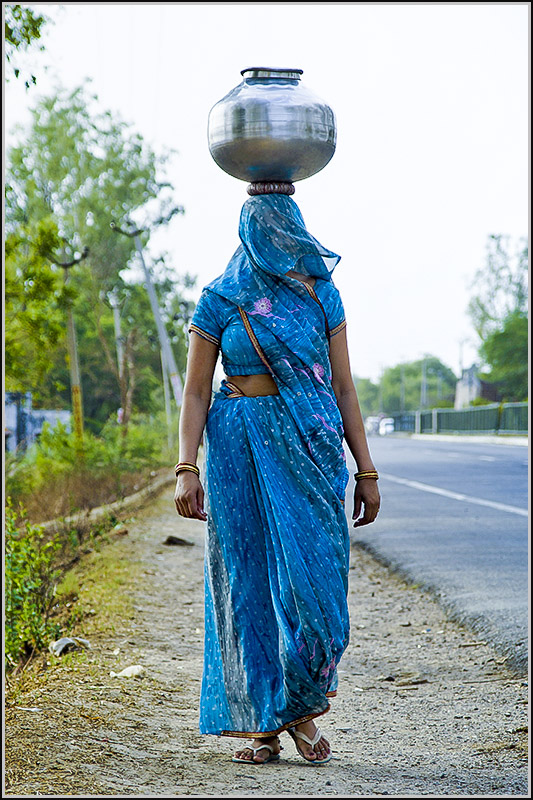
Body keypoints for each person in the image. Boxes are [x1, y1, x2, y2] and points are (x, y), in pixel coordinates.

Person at [174, 193, 380, 765]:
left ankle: (300, 700)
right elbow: (194, 391)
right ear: (248, 231)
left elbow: (343, 388)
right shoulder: (220, 298)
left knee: (313, 584)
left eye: (287, 226)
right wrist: (186, 466)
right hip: (237, 447)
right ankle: (270, 722)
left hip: (309, 448)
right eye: (268, 226)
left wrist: (366, 469)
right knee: (246, 580)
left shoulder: (322, 296)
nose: (280, 238)